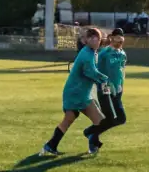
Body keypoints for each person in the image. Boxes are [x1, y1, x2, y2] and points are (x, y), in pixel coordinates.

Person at [40, 26, 110, 157]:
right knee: (99, 121)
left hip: (78, 93)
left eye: (98, 39)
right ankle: (92, 141)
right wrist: (104, 79)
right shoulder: (86, 54)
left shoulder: (90, 52)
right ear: (86, 40)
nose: (96, 41)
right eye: (93, 38)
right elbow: (91, 72)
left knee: (69, 120)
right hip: (77, 94)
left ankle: (50, 146)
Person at [94, 28, 128, 146]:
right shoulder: (105, 53)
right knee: (109, 117)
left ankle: (93, 134)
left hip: (117, 89)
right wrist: (107, 85)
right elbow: (98, 72)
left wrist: (120, 86)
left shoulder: (122, 53)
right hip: (105, 88)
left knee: (120, 118)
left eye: (121, 41)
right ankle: (92, 135)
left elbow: (122, 70)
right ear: (111, 38)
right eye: (117, 40)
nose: (119, 43)